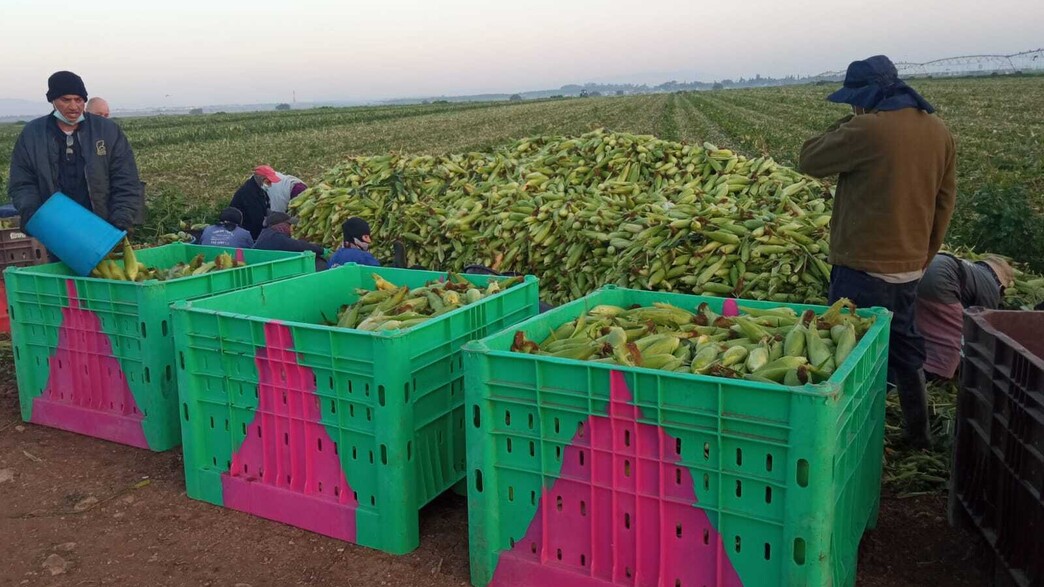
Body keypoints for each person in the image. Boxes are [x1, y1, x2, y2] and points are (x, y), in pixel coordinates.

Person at [798, 55, 957, 449]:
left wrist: (852, 119)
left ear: (865, 98)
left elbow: (809, 159)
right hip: (909, 267)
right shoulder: (938, 131)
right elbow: (944, 202)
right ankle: (917, 434)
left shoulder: (867, 129)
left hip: (862, 269)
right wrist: (921, 257)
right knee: (906, 349)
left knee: (849, 353)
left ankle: (849, 442)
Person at [8, 71, 144, 236]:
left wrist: (122, 217)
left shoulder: (107, 131)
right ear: (53, 100)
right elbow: (22, 182)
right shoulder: (32, 134)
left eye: (79, 100)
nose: (73, 107)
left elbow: (126, 179)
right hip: (56, 229)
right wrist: (34, 213)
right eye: (66, 100)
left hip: (104, 225)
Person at [916, 253, 1014, 381]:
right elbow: (983, 327)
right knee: (956, 336)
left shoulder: (974, 270)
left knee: (925, 324)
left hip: (921, 271)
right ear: (1001, 285)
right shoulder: (991, 286)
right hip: (940, 280)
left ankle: (917, 361)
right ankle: (934, 374)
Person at [253, 211, 329, 269]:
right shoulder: (276, 238)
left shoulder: (266, 234)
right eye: (288, 225)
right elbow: (298, 246)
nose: (290, 228)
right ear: (281, 226)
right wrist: (322, 250)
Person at [230, 165, 278, 240]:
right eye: (268, 181)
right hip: (245, 232)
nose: (270, 184)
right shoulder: (248, 193)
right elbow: (257, 220)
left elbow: (266, 208)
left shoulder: (261, 190)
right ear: (260, 178)